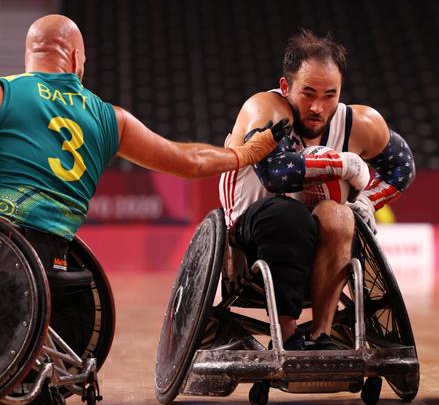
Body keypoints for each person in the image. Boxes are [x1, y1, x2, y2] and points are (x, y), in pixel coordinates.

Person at [0, 14, 289, 272]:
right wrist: (245, 153)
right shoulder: (110, 118)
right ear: (76, 58)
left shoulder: (6, 92)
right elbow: (189, 162)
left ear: (29, 57)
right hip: (52, 264)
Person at [219, 28, 415, 350]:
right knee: (288, 214)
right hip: (252, 230)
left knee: (339, 215)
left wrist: (368, 201)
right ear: (286, 87)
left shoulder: (361, 122)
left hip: (318, 239)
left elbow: (402, 166)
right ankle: (286, 333)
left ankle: (320, 334)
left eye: (329, 95)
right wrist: (343, 165)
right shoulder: (264, 108)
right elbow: (275, 174)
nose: (318, 108)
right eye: (308, 93)